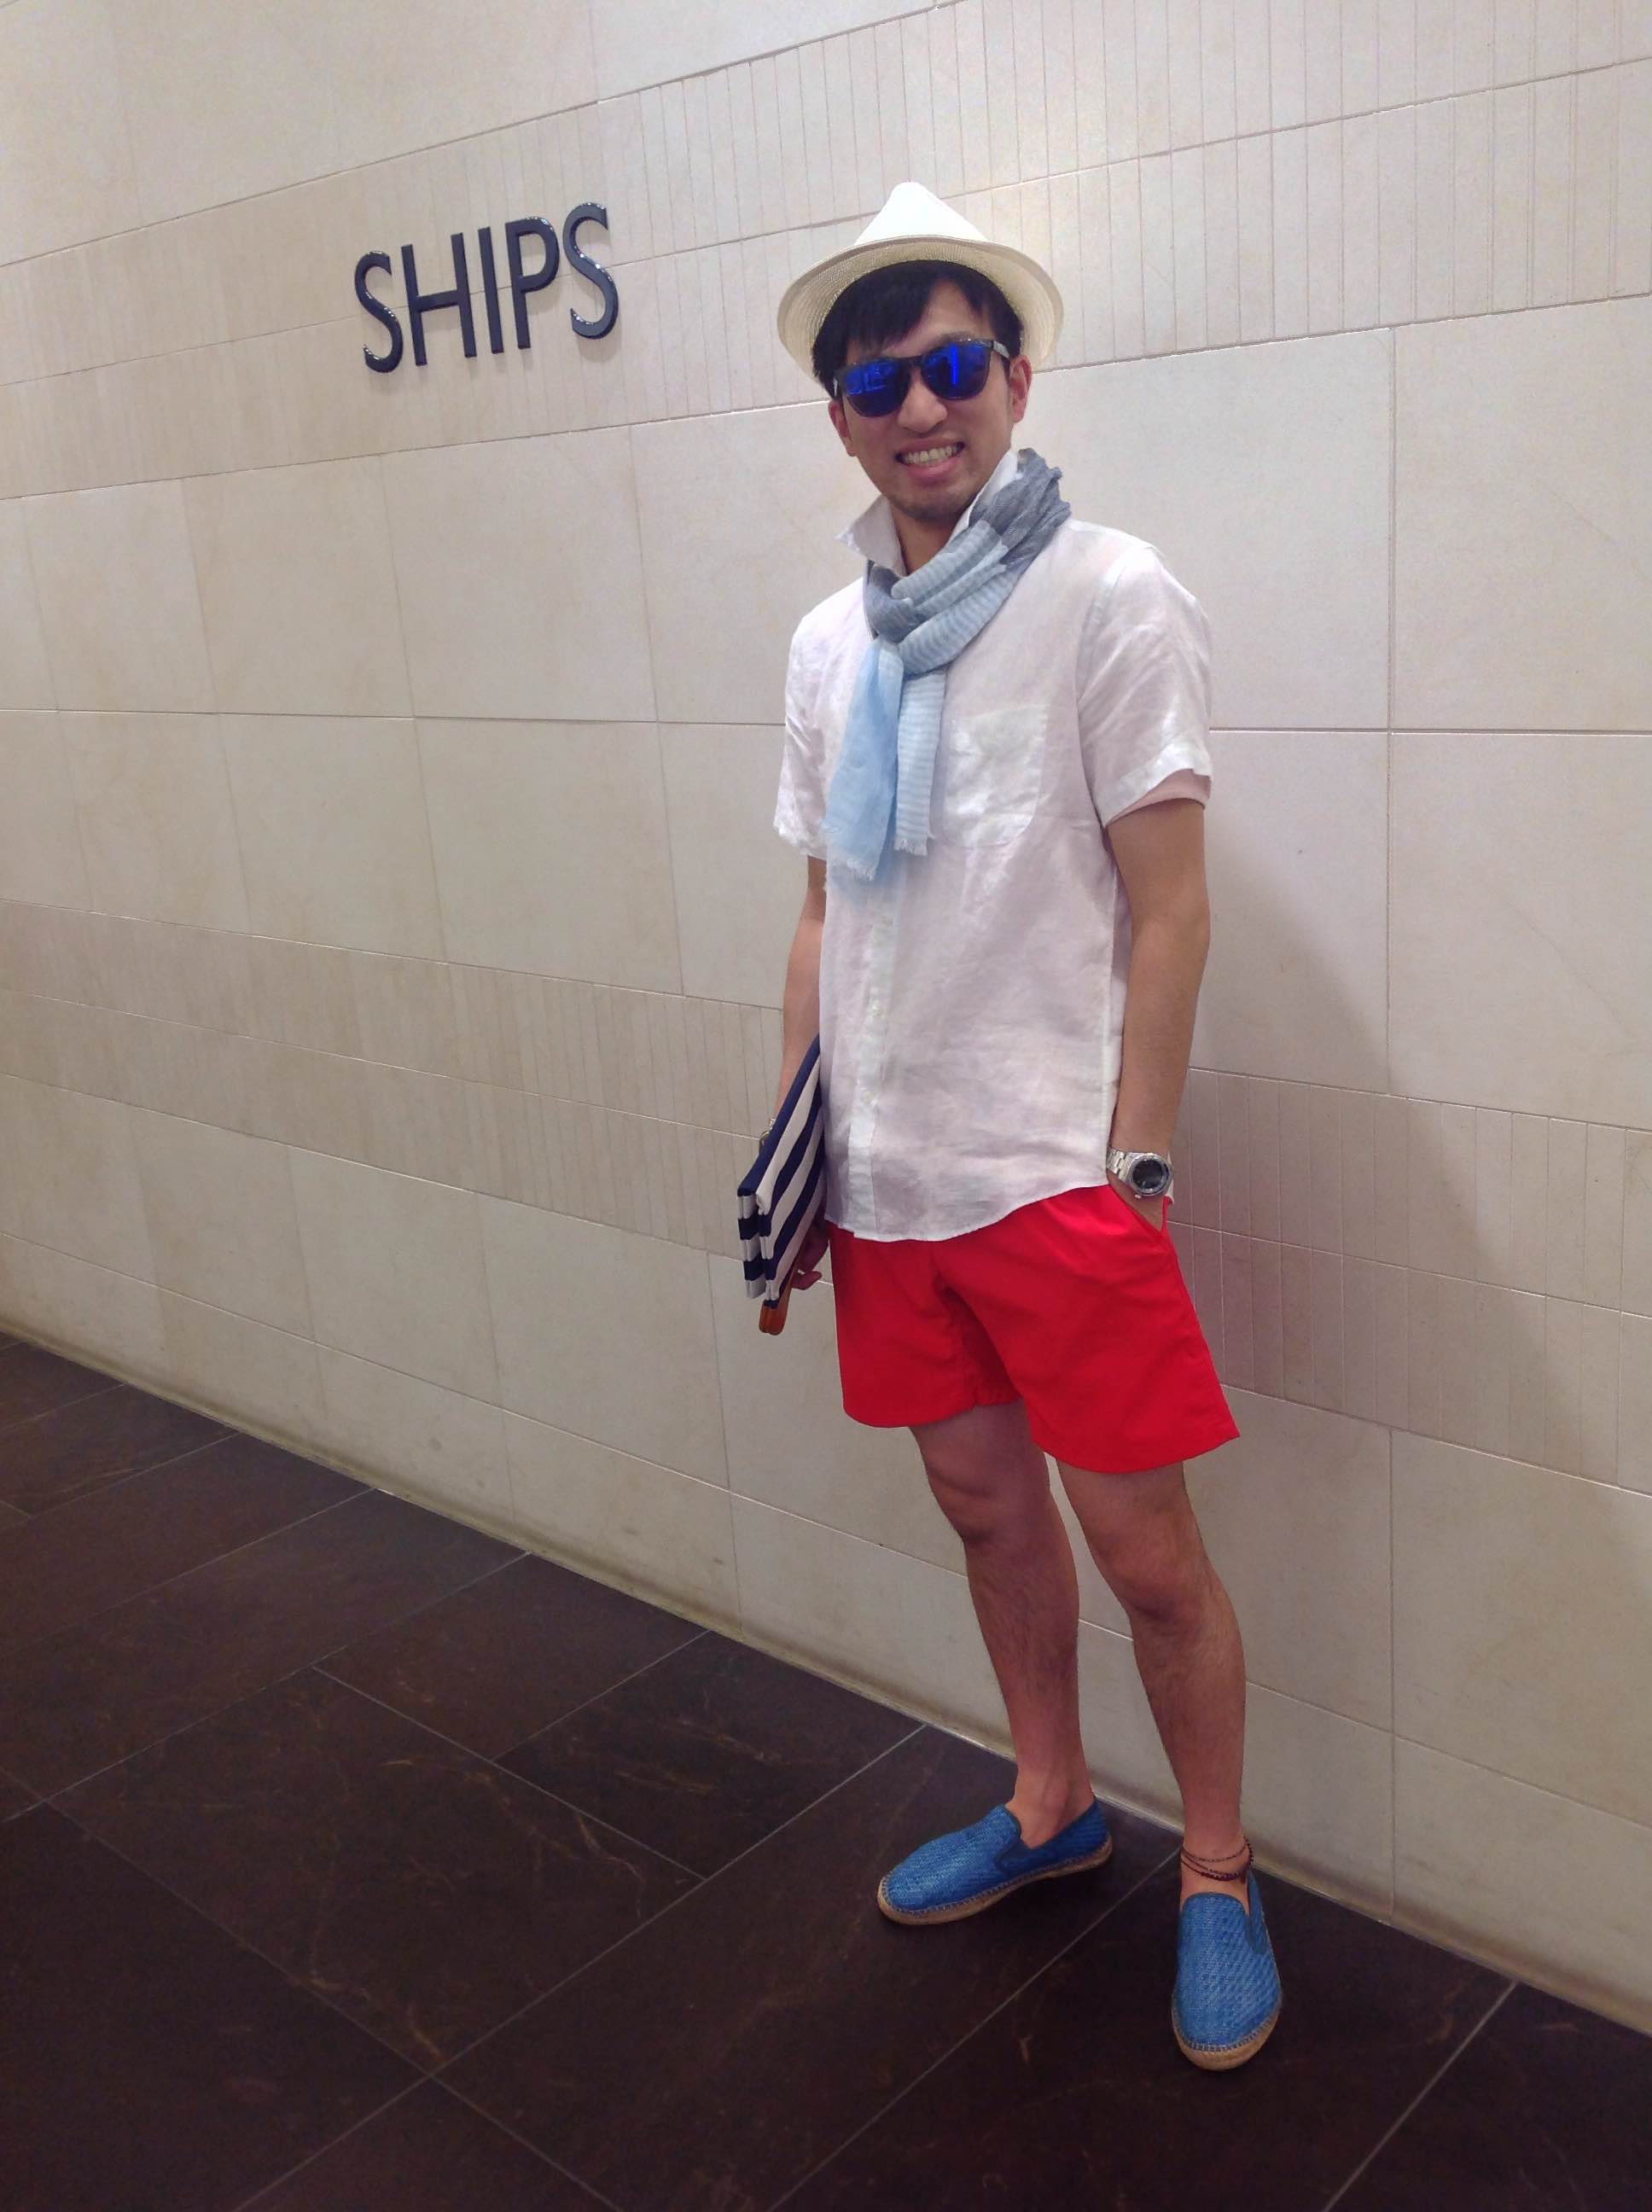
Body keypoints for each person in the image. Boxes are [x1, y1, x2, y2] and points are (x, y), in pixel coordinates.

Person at [764, 182, 1281, 2072]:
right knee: (984, 1513)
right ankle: (1050, 1804)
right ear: (839, 415)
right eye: (881, 379)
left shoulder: (1108, 595)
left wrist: (1133, 1166)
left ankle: (1216, 1867)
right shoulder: (829, 646)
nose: (924, 406)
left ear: (1015, 377)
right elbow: (825, 914)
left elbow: (1172, 910)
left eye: (955, 364)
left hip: (1055, 1178)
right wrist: (799, 1156)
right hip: (889, 1182)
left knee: (1147, 1558)